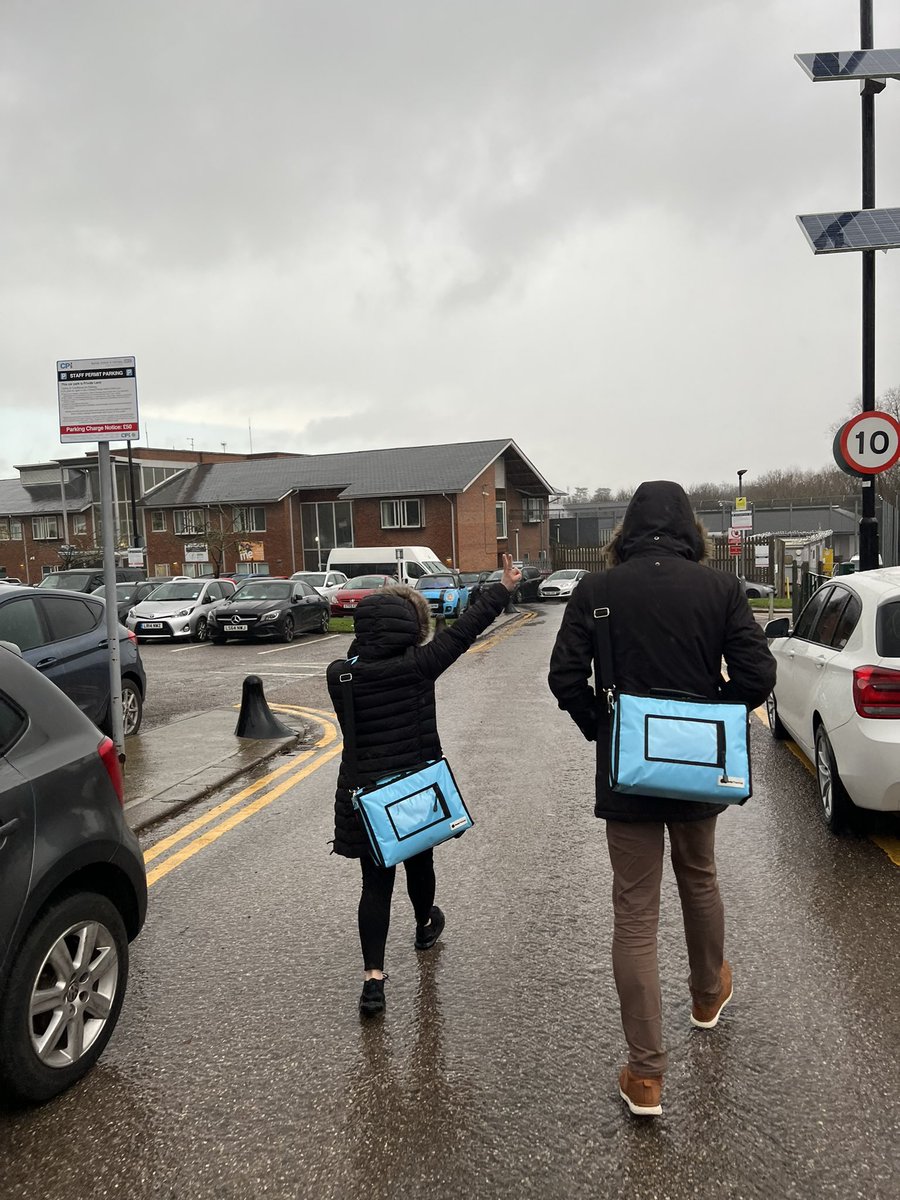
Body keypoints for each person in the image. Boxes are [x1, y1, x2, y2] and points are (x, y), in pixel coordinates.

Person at [547, 481, 776, 1117]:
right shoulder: (720, 588)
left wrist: (607, 729)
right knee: (700, 878)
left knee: (635, 913)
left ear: (626, 528)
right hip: (698, 768)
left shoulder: (597, 591)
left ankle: (646, 1075)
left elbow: (564, 676)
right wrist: (711, 719)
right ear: (690, 529)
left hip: (628, 775)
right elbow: (757, 676)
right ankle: (707, 995)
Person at [327, 553, 522, 1016]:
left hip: (364, 797)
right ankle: (423, 924)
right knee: (419, 862)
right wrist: (503, 587)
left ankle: (373, 981)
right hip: (411, 791)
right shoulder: (419, 666)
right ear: (411, 627)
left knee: (374, 885)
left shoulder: (341, 675)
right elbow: (465, 630)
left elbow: (358, 661)